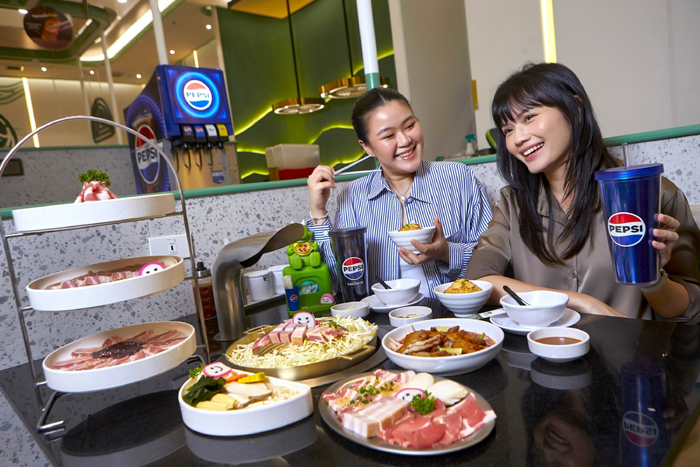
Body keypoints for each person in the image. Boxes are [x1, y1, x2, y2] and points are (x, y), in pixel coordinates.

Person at [466, 62, 700, 321]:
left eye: (529, 117)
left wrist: (651, 278)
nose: (518, 138)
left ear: (575, 109)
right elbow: (478, 281)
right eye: (508, 130)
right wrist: (582, 303)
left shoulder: (654, 194)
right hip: (541, 346)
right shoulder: (512, 203)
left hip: (631, 347)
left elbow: (690, 309)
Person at [307, 87, 492, 298]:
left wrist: (446, 253)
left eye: (410, 125)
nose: (405, 141)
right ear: (367, 147)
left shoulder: (458, 178)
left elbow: (492, 260)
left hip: (455, 316)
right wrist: (318, 212)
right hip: (382, 317)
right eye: (389, 135)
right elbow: (338, 284)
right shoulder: (353, 197)